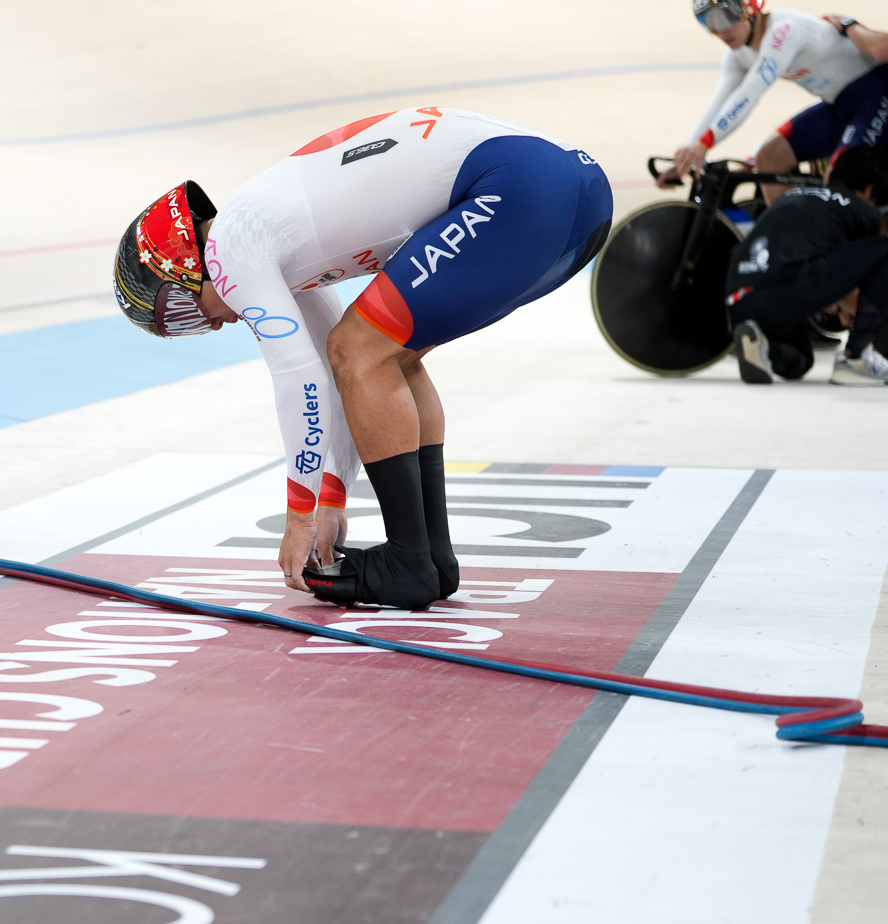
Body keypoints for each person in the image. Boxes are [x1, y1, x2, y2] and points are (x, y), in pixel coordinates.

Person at [114, 106, 611, 611]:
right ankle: (430, 558)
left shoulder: (230, 247)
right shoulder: (264, 241)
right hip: (573, 190)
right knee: (386, 353)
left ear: (183, 260)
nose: (211, 324)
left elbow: (300, 379)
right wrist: (330, 496)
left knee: (361, 350)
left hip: (525, 190)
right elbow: (337, 382)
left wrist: (299, 516)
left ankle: (410, 561)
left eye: (180, 310)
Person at [661, 0, 888, 204]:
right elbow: (718, 103)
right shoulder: (738, 56)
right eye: (707, 23)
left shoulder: (783, 30)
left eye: (724, 18)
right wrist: (689, 154)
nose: (719, 31)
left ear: (748, 7)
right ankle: (789, 236)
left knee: (841, 182)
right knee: (768, 159)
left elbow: (751, 93)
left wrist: (704, 144)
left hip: (878, 93)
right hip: (840, 104)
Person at [728, 145, 888, 386]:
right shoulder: (862, 212)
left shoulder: (793, 197)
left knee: (799, 362)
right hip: (788, 287)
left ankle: (759, 341)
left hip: (740, 298)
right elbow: (861, 276)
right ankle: (856, 358)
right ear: (868, 190)